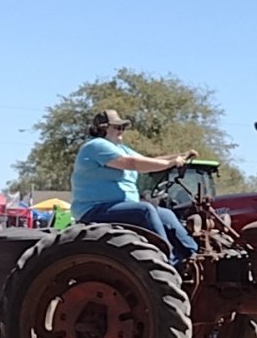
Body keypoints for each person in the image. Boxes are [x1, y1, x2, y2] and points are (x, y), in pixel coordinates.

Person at [70, 109, 199, 263]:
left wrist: (180, 155)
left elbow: (148, 160)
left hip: (119, 207)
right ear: (103, 128)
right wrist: (169, 164)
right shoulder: (96, 146)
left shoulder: (121, 149)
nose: (121, 130)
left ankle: (192, 257)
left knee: (166, 215)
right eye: (117, 127)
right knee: (144, 210)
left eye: (123, 127)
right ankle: (167, 259)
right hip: (94, 210)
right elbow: (133, 163)